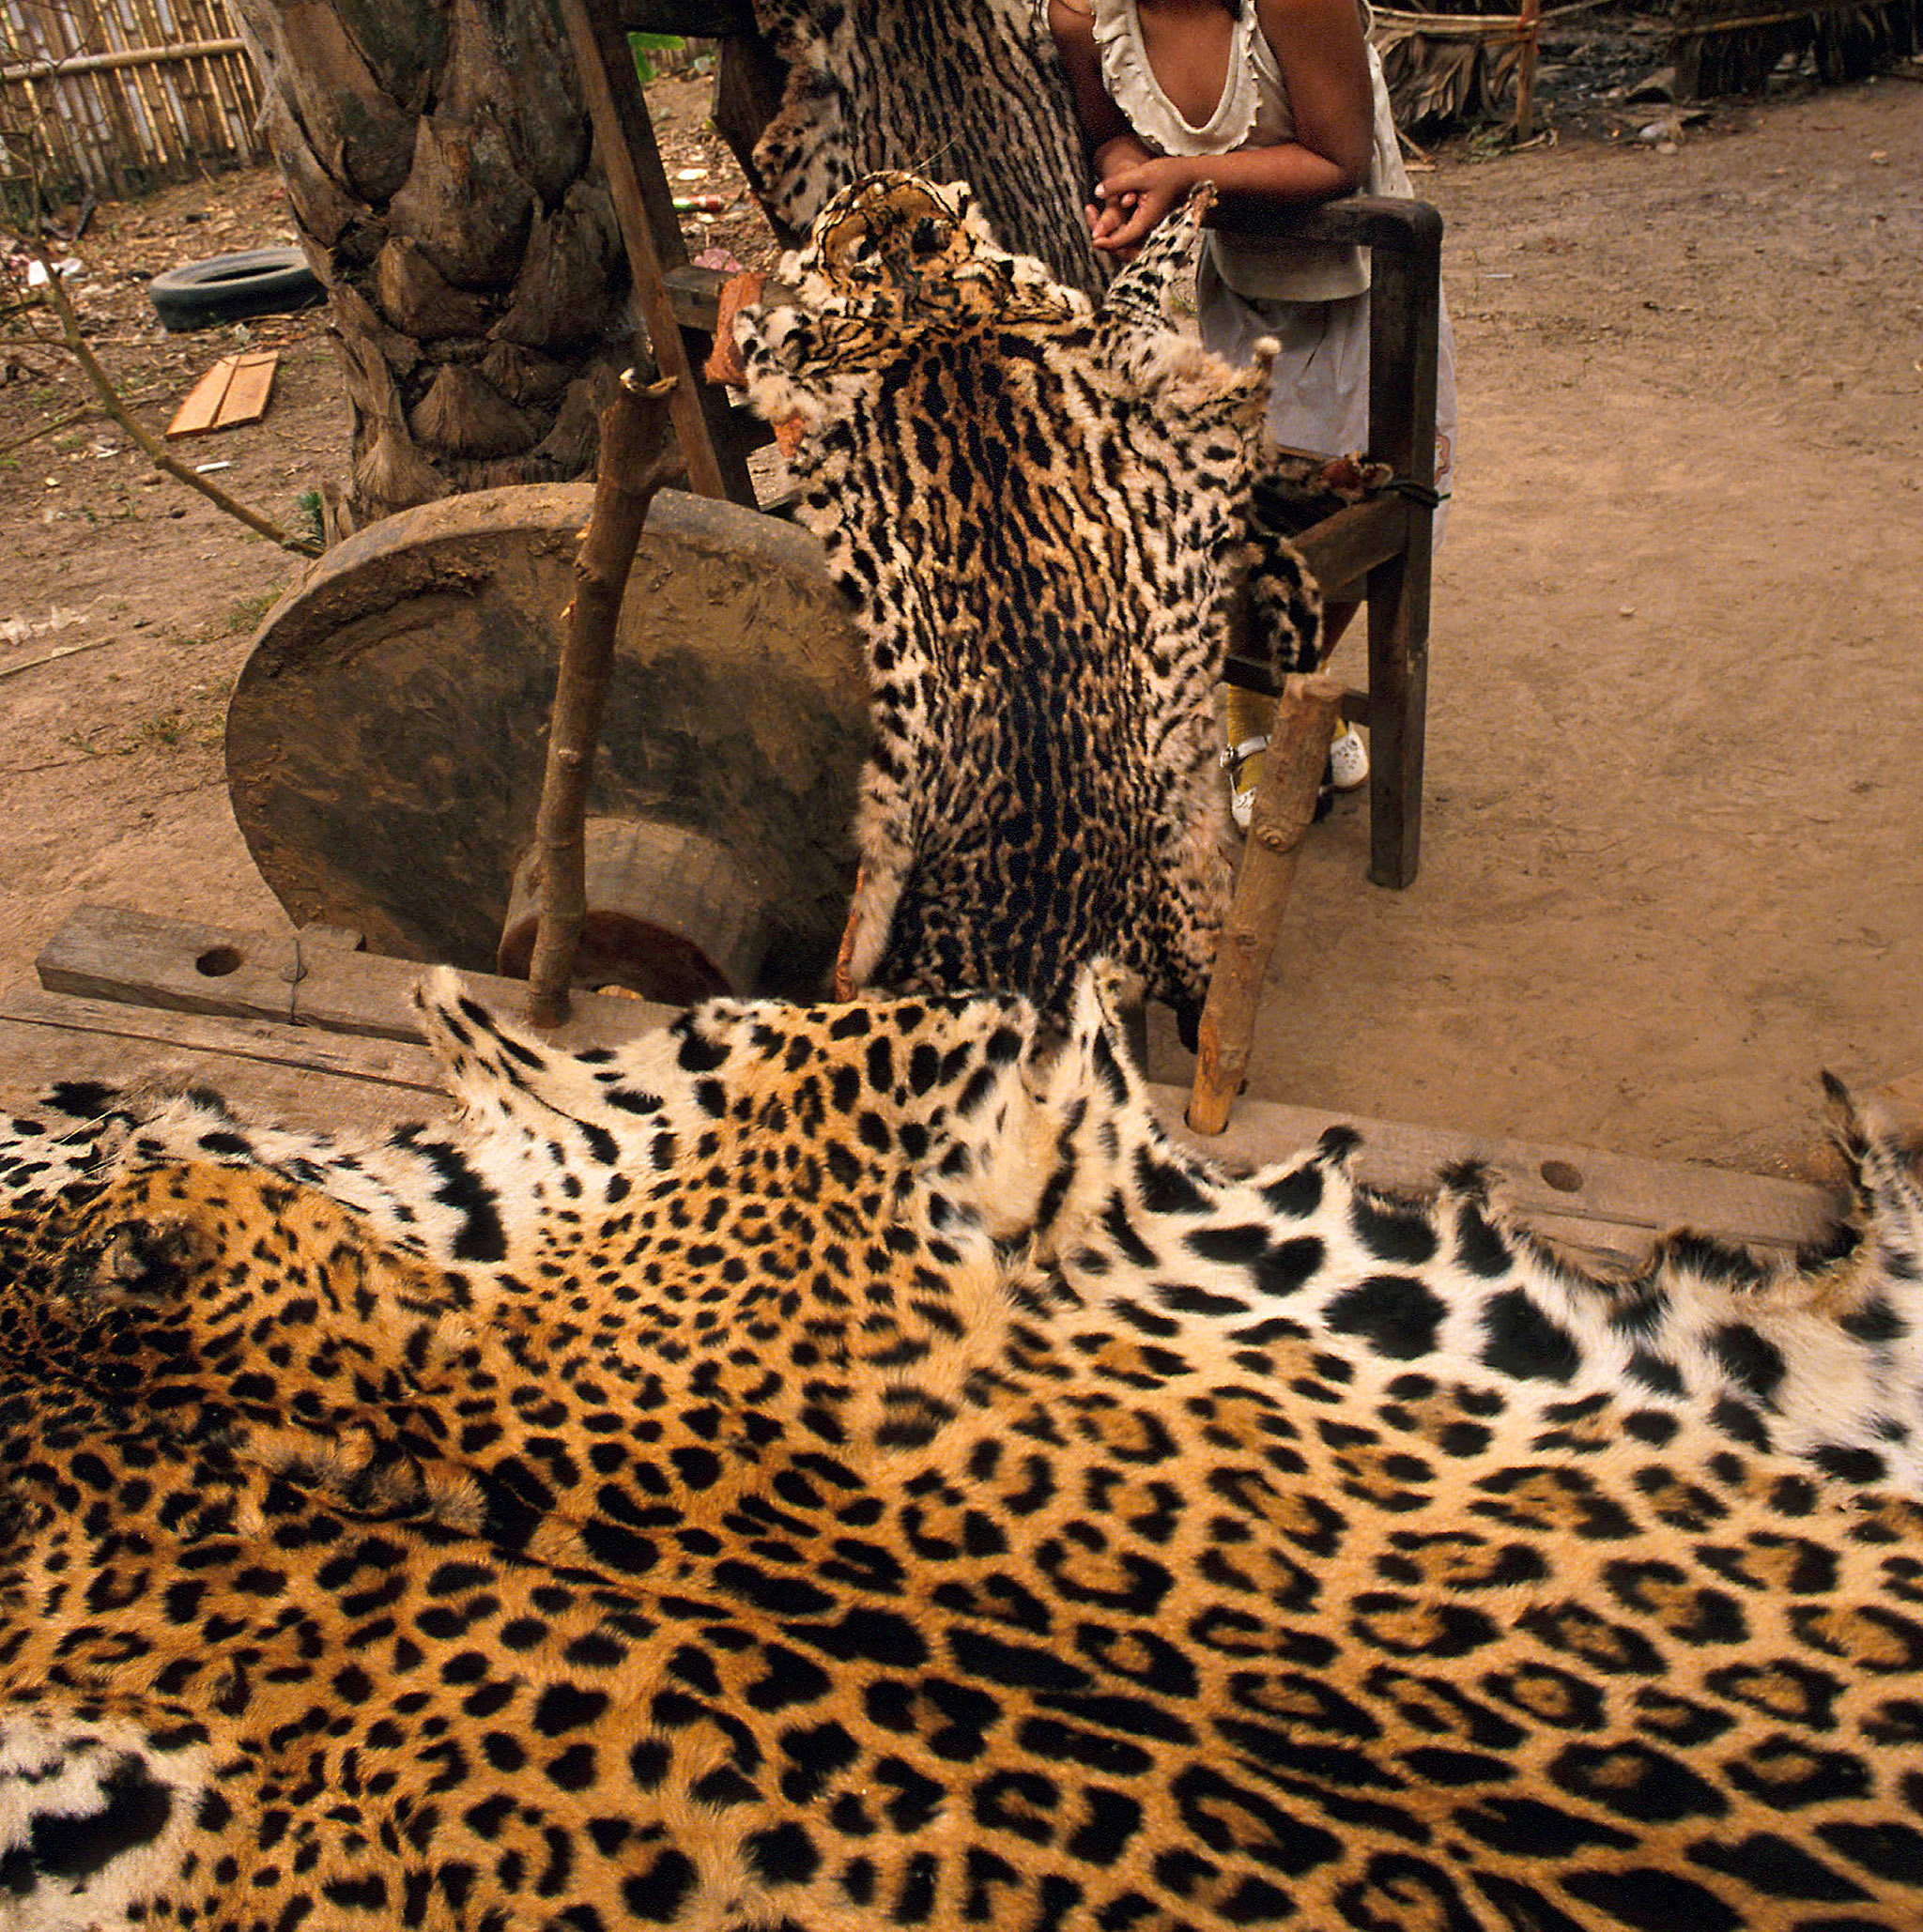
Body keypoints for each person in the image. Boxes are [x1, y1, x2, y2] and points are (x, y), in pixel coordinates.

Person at [1042, 0, 1457, 828]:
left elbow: (1337, 159)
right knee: (1255, 507)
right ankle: (1258, 705)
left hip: (1372, 295)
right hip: (1243, 291)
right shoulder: (1083, 16)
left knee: (1371, 502)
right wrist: (1132, 181)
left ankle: (1281, 689)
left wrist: (1183, 179)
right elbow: (1107, 135)